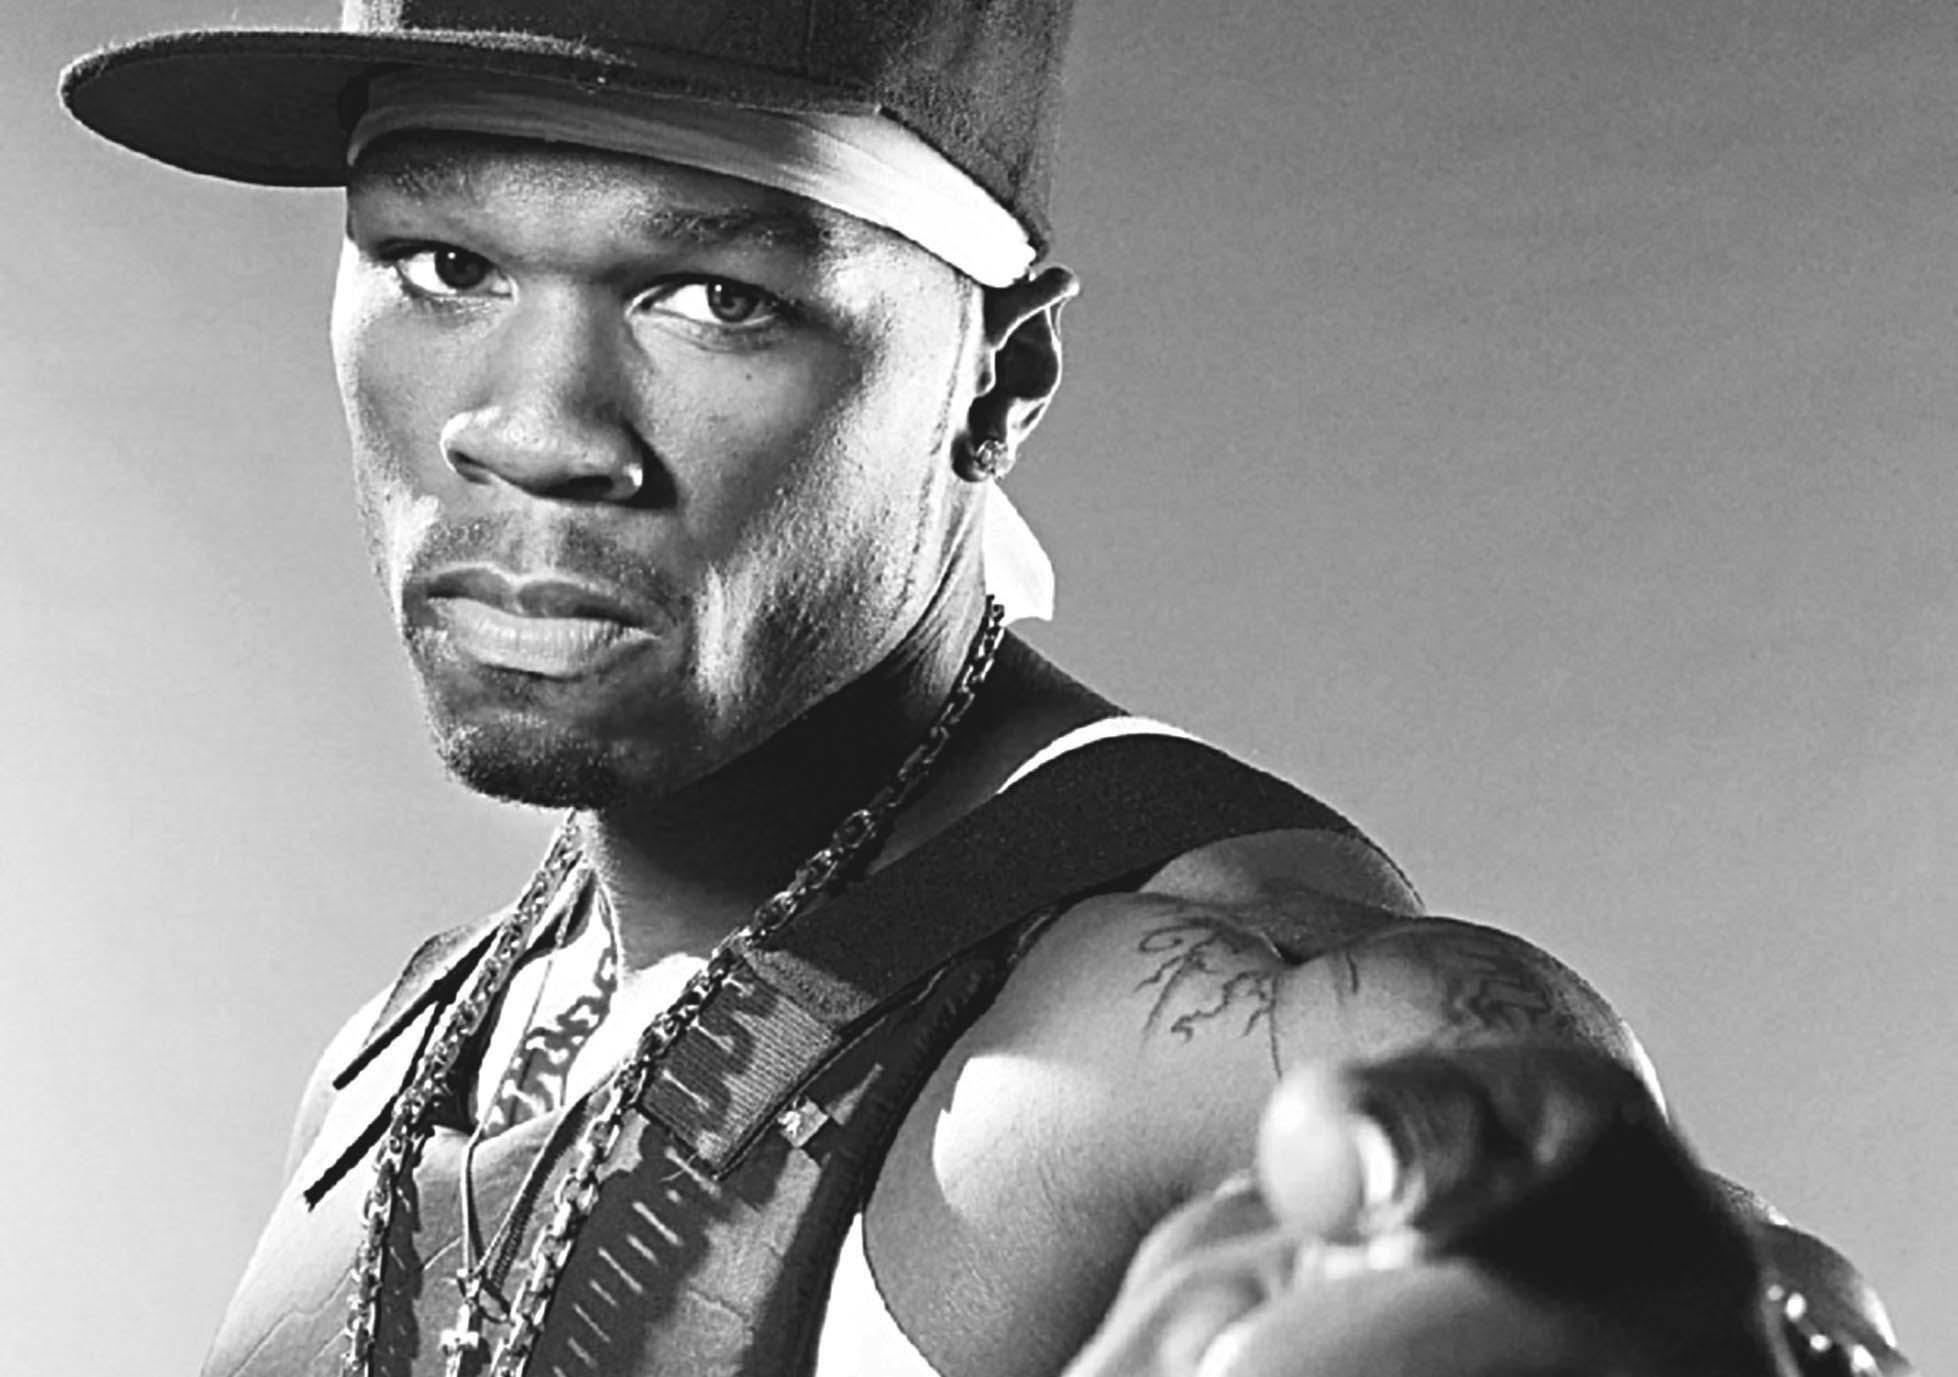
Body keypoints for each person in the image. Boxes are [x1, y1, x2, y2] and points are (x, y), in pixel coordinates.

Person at [59, 3, 1912, 1375]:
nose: (534, 431)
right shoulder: (399, 1057)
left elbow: (1633, 1243)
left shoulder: (1161, 1027)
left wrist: (1676, 1308)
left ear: (996, 380)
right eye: (445, 264)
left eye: (712, 296)